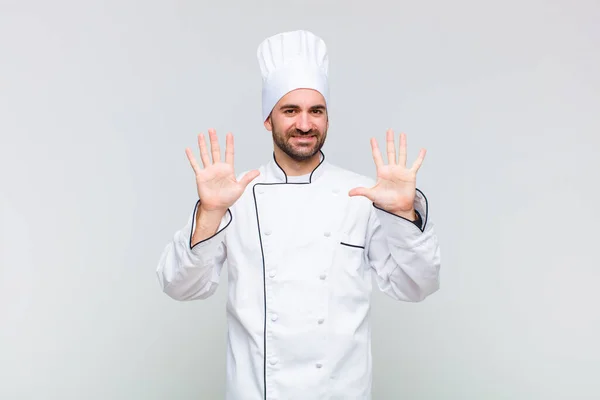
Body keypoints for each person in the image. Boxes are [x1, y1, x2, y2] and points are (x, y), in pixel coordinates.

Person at [156, 29, 441, 400]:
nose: (304, 124)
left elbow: (417, 285)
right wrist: (210, 212)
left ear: (326, 117)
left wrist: (403, 213)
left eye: (315, 111)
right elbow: (179, 286)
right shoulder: (235, 196)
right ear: (267, 119)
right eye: (290, 111)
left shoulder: (362, 195)